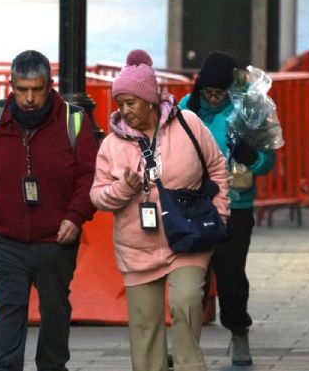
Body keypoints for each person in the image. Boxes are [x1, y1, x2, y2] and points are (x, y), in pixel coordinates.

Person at [0, 50, 98, 371]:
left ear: (50, 86)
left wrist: (75, 218)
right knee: (8, 309)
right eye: (22, 89)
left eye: (36, 89)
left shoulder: (75, 122)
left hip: (56, 240)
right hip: (6, 240)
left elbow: (89, 178)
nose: (29, 98)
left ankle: (52, 367)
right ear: (11, 86)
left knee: (55, 311)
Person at [90, 49, 229, 371]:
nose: (124, 111)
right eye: (120, 104)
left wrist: (220, 215)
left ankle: (188, 366)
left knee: (186, 302)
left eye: (131, 103)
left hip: (188, 238)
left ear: (150, 100)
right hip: (137, 247)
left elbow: (217, 168)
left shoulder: (189, 124)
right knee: (144, 330)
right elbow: (97, 197)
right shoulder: (112, 144)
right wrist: (123, 188)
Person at [178, 51, 276, 366]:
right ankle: (186, 343)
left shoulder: (248, 110)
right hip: (194, 206)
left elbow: (266, 164)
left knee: (231, 277)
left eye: (219, 92)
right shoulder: (185, 108)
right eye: (208, 92)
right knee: (190, 280)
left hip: (236, 207)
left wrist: (249, 155)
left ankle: (238, 332)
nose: (213, 98)